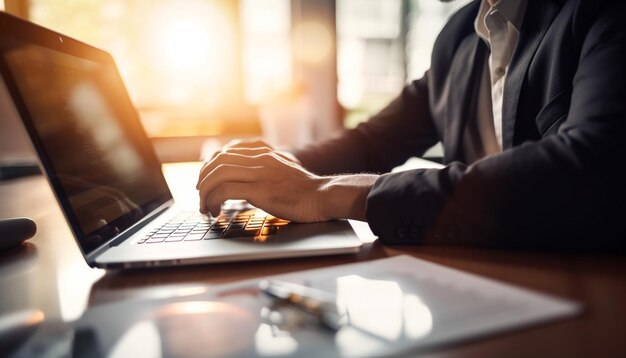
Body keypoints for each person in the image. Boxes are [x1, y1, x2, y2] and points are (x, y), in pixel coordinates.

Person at [197, 0, 626, 248]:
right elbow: (373, 142)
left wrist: (325, 193)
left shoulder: (600, 13)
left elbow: (592, 169)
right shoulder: (460, 35)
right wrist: (269, 167)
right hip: (483, 289)